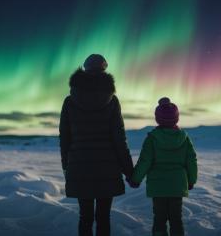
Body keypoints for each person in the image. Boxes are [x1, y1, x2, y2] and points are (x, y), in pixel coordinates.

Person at [59, 54, 134, 236]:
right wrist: (129, 171)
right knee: (103, 217)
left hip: (79, 166)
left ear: (85, 70)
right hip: (107, 168)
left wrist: (66, 165)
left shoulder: (69, 102)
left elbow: (65, 138)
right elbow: (119, 139)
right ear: (104, 70)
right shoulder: (112, 101)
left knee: (85, 217)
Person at [129, 97, 198, 236]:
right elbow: (191, 161)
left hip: (158, 186)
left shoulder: (152, 138)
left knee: (159, 220)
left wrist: (135, 179)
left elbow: (145, 161)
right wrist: (191, 180)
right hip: (177, 185)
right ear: (176, 118)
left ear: (157, 119)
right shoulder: (184, 139)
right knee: (176, 219)